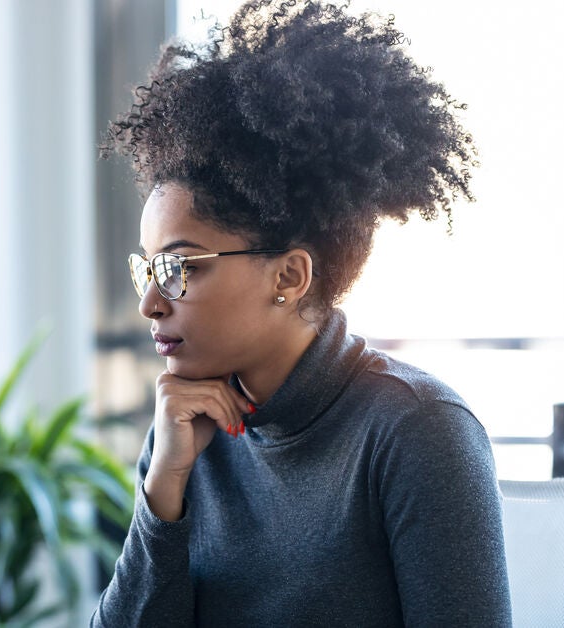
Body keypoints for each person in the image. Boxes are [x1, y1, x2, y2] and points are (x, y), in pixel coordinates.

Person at [90, 1, 511, 626]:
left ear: (288, 276)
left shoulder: (416, 431)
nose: (151, 302)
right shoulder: (185, 429)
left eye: (179, 268)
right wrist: (164, 490)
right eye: (148, 269)